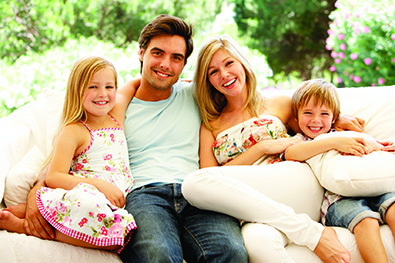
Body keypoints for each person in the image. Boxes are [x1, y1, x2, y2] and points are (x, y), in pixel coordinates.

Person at [181, 35, 357, 263]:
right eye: (213, 71)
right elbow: (211, 177)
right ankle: (310, 232)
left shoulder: (279, 103)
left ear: (242, 62)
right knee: (258, 243)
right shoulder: (210, 125)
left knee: (193, 184)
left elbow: (313, 124)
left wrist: (336, 119)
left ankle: (310, 232)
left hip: (292, 183)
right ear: (208, 80)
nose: (224, 74)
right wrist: (263, 147)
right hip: (255, 208)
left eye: (228, 63)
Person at [0, 56, 137, 253]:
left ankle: (34, 214)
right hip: (88, 193)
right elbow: (55, 176)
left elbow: (131, 86)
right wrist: (100, 186)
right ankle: (24, 226)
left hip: (113, 199)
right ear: (77, 90)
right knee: (113, 231)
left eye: (109, 87)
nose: (103, 94)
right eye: (93, 87)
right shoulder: (75, 130)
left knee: (119, 230)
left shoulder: (115, 116)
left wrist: (181, 83)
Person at [284, 78, 395, 263]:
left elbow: (370, 145)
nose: (316, 120)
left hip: (370, 188)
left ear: (334, 117)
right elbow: (290, 153)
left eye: (324, 114)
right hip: (338, 200)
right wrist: (333, 142)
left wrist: (382, 147)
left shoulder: (343, 133)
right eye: (308, 113)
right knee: (366, 221)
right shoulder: (300, 140)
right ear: (296, 117)